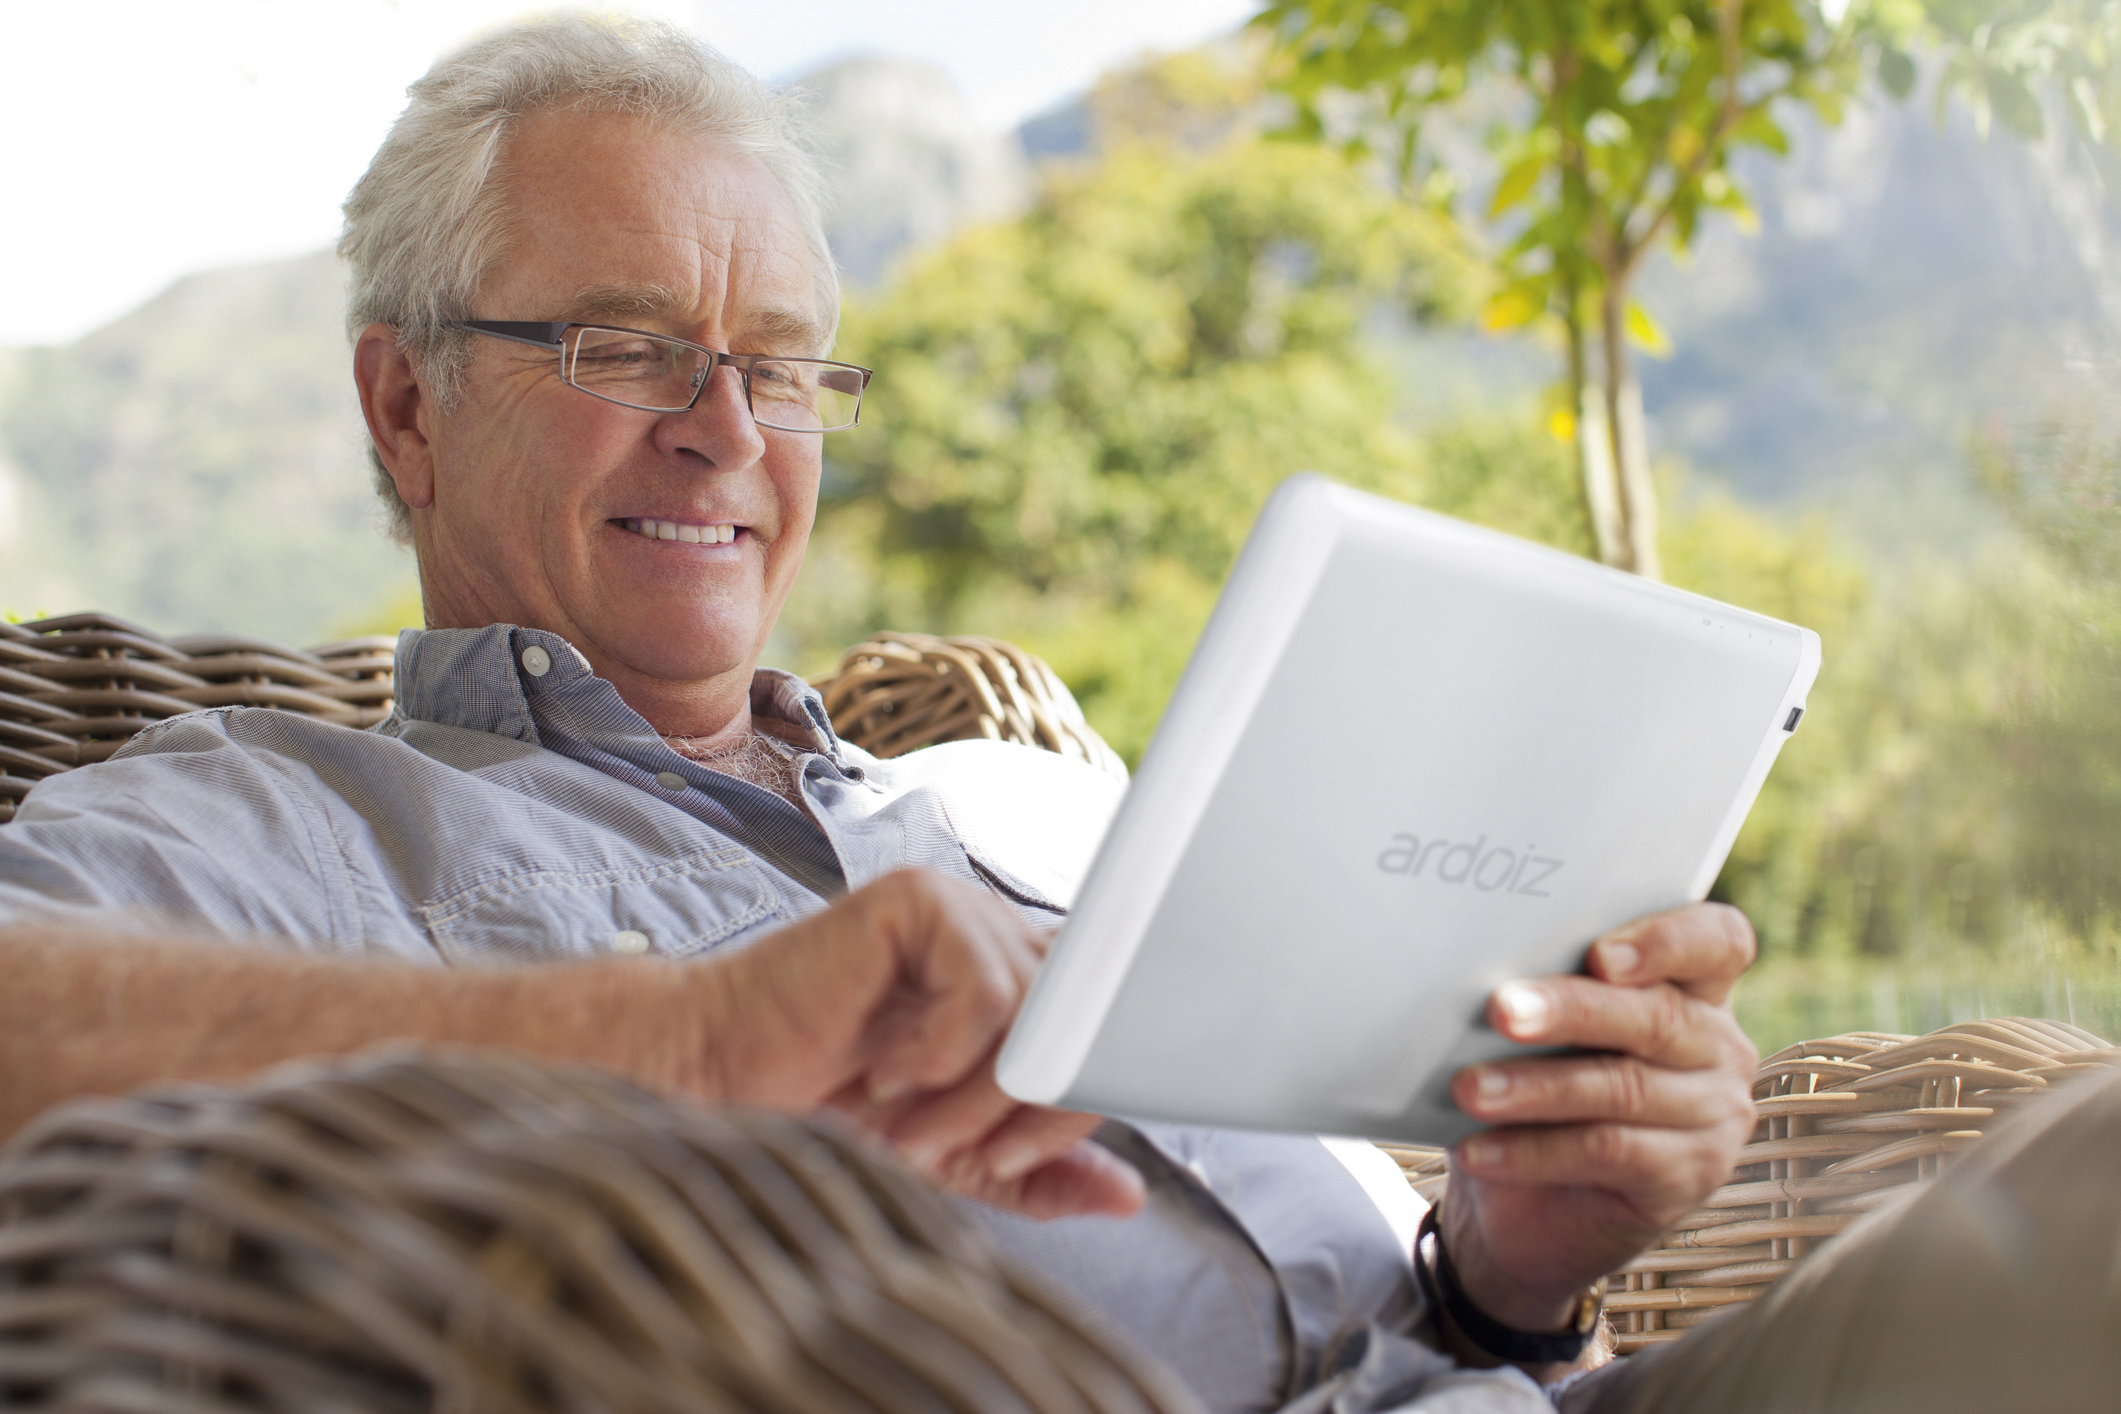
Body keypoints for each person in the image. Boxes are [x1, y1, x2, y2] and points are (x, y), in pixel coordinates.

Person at [0, 16, 1766, 1411]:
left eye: (779, 365)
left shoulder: (1023, 794)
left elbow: (1429, 1315)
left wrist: (1507, 1262)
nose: (724, 429)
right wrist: (676, 1040)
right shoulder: (282, 825)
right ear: (408, 408)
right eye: (623, 347)